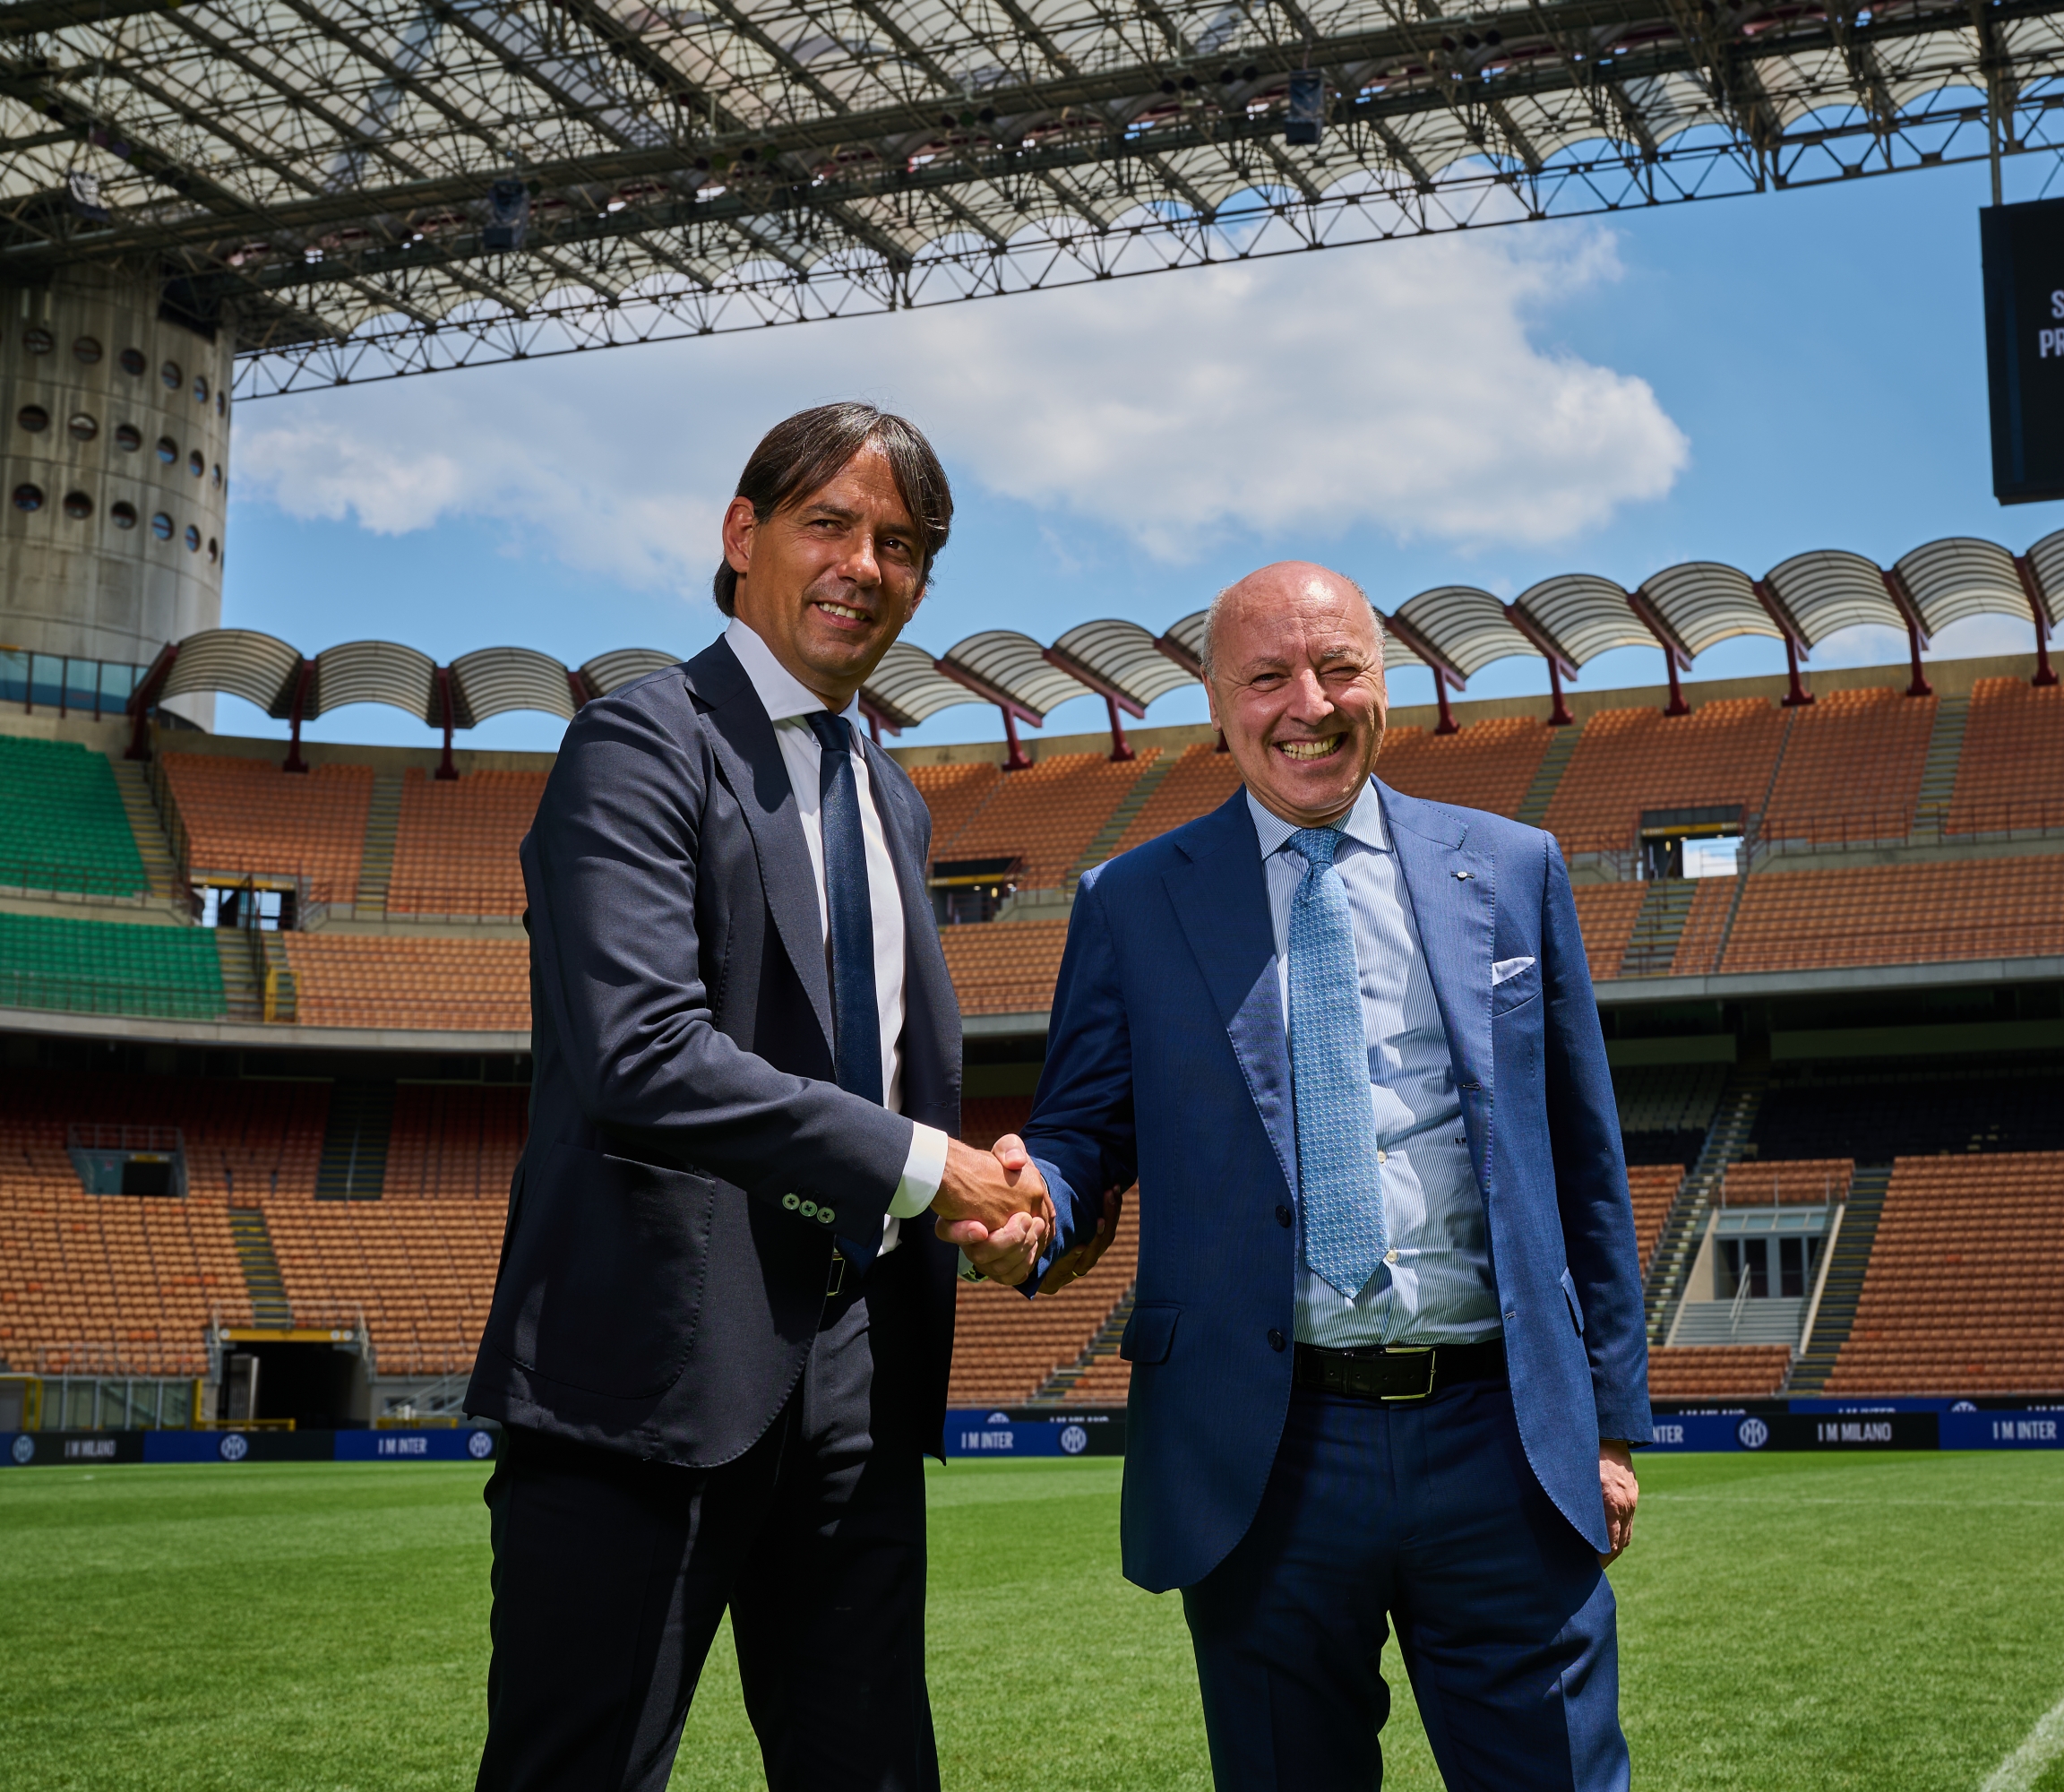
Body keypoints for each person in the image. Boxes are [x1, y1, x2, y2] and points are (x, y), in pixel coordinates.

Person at [973, 561, 1651, 1791]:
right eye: (1270, 677)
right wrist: (1040, 1199)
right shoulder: (1129, 903)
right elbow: (1084, 1134)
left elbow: (1584, 1163)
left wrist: (1604, 1428)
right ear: (1219, 707)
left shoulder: (1512, 869)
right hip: (1266, 1456)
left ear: (1385, 684)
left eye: (1339, 668)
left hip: (1498, 1437)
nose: (1310, 704)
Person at [466, 402, 1050, 1792]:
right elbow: (642, 1055)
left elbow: (886, 1067)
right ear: (743, 539)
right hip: (649, 1378)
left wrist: (989, 1201)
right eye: (829, 525)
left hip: (859, 1375)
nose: (866, 564)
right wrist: (927, 1166)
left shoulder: (889, 793)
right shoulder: (638, 742)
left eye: (901, 544)